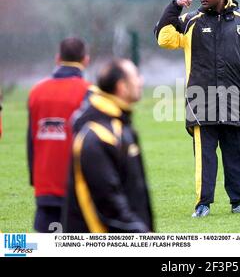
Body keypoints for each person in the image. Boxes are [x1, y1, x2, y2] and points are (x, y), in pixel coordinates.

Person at [155, 0, 240, 217]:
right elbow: (162, 38)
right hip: (200, 99)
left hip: (237, 98)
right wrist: (174, 7)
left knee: (237, 153)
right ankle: (203, 204)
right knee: (205, 156)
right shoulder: (190, 20)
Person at [62, 58, 153, 233]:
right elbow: (108, 204)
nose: (141, 81)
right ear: (122, 87)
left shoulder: (120, 126)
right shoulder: (98, 136)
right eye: (136, 77)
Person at [27, 37, 90, 232]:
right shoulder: (89, 93)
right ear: (85, 60)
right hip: (76, 187)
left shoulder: (36, 92)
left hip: (45, 186)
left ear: (57, 58)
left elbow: (31, 141)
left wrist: (35, 178)